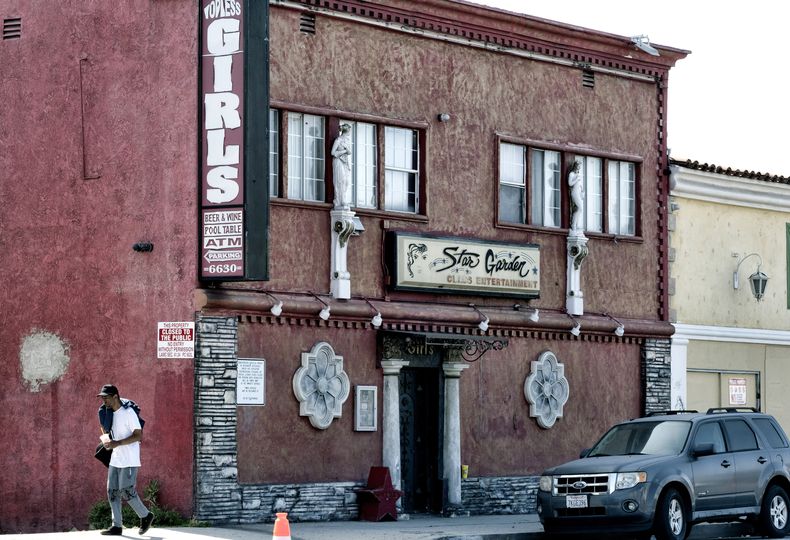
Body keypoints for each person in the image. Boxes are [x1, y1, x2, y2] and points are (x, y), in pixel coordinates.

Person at [97, 384, 154, 536]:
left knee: (126, 491)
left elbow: (138, 435)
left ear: (115, 396)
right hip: (116, 457)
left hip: (129, 458)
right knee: (112, 491)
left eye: (106, 398)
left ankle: (146, 515)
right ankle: (117, 526)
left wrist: (118, 443)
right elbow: (106, 428)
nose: (104, 401)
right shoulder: (107, 412)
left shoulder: (128, 413)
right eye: (102, 398)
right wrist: (107, 440)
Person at [331, 123, 352, 209]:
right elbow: (333, 153)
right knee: (341, 180)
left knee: (346, 181)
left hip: (345, 162)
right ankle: (340, 200)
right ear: (346, 131)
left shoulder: (347, 141)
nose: (350, 133)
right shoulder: (338, 140)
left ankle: (343, 198)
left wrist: (347, 150)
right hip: (338, 161)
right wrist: (344, 151)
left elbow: (349, 152)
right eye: (349, 131)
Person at [567, 160, 583, 233]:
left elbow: (580, 184)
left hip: (579, 193)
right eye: (578, 166)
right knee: (580, 208)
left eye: (580, 166)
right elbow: (570, 184)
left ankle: (576, 224)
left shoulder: (577, 174)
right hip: (574, 193)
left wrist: (582, 190)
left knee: (579, 209)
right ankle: (573, 225)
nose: (579, 168)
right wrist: (576, 179)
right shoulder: (572, 174)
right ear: (575, 166)